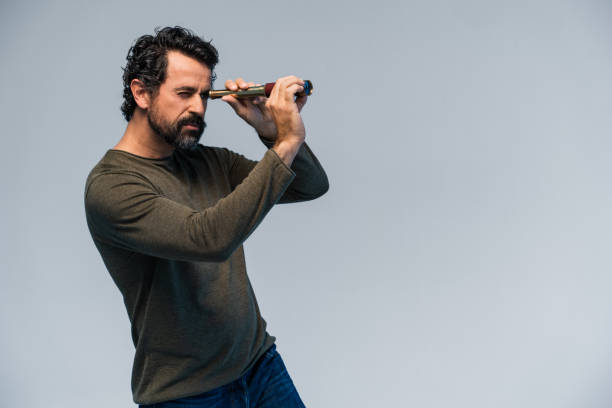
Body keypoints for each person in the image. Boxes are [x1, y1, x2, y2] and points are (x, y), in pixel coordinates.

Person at [84, 26, 328, 408]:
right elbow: (207, 239)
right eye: (184, 93)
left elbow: (307, 186)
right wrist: (286, 142)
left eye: (203, 94)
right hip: (188, 394)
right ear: (141, 92)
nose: (198, 107)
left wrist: (270, 134)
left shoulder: (209, 161)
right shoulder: (112, 186)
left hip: (260, 367)